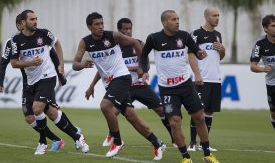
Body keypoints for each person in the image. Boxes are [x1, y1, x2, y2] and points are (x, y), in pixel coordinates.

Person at [72, 12, 165, 160]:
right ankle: (157, 143)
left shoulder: (113, 36)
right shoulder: (85, 42)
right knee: (130, 116)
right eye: (97, 24)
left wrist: (142, 66)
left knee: (105, 106)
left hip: (121, 77)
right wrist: (82, 64)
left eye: (102, 23)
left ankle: (117, 141)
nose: (101, 27)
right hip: (109, 83)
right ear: (89, 27)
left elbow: (135, 42)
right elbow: (75, 65)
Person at [140, 10, 220, 163]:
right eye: (173, 19)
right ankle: (185, 157)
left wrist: (200, 54)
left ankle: (207, 154)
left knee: (200, 118)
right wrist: (145, 71)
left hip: (186, 85)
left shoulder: (184, 36)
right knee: (174, 122)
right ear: (164, 23)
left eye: (178, 19)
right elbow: (144, 55)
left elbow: (195, 50)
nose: (177, 21)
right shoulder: (154, 38)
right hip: (167, 89)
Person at [85, 17, 174, 147]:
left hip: (140, 85)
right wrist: (92, 85)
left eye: (130, 28)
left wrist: (131, 68)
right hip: (124, 88)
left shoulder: (138, 43)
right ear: (119, 31)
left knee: (161, 110)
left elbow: (146, 66)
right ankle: (113, 135)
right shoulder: (114, 45)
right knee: (112, 111)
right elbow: (103, 70)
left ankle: (174, 138)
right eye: (125, 29)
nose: (128, 31)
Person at [10, 10, 89, 155]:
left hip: (47, 77)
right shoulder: (15, 41)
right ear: (23, 23)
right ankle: (78, 137)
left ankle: (42, 142)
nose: (35, 21)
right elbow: (14, 63)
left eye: (36, 18)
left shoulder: (44, 34)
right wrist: (30, 63)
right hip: (31, 82)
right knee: (51, 114)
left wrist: (61, 66)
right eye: (32, 19)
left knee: (37, 109)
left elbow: (57, 44)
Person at [0, 14, 69, 153]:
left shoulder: (39, 38)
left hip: (43, 78)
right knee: (29, 117)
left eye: (35, 20)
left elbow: (52, 53)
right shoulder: (11, 42)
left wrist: (60, 73)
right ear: (19, 25)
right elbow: (4, 63)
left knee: (46, 110)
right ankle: (56, 139)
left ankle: (73, 133)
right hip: (27, 82)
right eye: (19, 25)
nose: (21, 27)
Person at [187, 7, 225, 152]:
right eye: (214, 15)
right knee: (198, 111)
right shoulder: (196, 34)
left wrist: (222, 49)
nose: (217, 18)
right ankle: (192, 143)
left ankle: (205, 144)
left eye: (218, 15)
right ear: (206, 17)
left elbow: (220, 57)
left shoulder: (218, 35)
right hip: (202, 78)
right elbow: (191, 54)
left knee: (209, 112)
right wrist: (197, 74)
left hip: (215, 79)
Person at [250, 14, 275, 131]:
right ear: (265, 28)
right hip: (272, 83)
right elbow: (253, 66)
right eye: (273, 25)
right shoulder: (260, 44)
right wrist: (262, 69)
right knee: (274, 114)